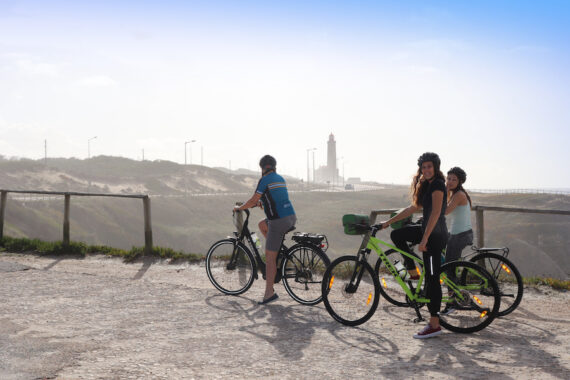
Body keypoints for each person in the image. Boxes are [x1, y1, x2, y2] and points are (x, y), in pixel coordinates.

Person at [381, 152, 448, 339]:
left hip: (435, 235)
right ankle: (411, 269)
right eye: (423, 167)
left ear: (435, 167)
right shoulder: (426, 184)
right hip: (426, 229)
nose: (426, 170)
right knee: (397, 234)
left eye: (429, 166)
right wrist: (388, 222)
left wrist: (425, 239)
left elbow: (435, 213)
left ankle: (434, 324)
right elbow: (413, 208)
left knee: (433, 279)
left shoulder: (437, 184)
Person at [233, 155, 296, 305]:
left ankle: (269, 294)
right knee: (262, 224)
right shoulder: (280, 178)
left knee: (269, 258)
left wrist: (240, 208)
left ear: (262, 168)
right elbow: (275, 196)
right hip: (290, 216)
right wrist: (262, 202)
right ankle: (275, 252)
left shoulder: (264, 179)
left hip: (278, 221)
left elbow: (254, 199)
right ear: (274, 166)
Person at [440, 167, 473, 315]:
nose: (450, 181)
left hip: (459, 235)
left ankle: (452, 304)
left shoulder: (459, 195)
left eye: (454, 179)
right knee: (449, 265)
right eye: (448, 178)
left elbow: (444, 211)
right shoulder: (456, 194)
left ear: (460, 181)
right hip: (457, 233)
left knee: (449, 269)